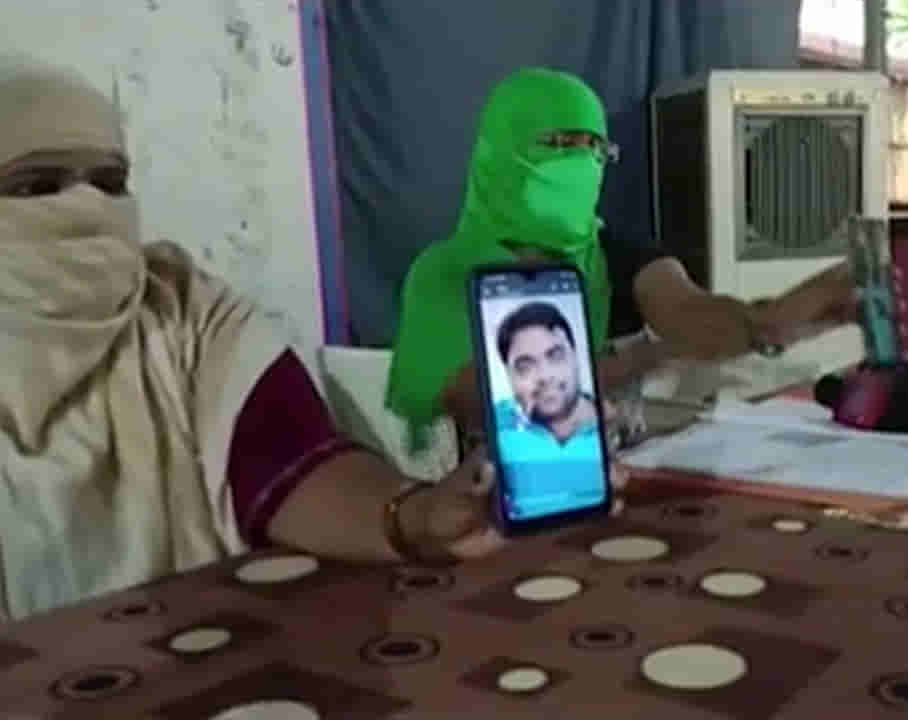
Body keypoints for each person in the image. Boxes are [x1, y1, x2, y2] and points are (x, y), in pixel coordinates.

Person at [0, 57, 625, 621]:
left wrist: (415, 517)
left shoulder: (185, 309)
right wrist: (627, 363)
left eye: (110, 182)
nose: (86, 207)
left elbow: (293, 458)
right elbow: (458, 395)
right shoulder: (442, 271)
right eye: (35, 186)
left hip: (196, 651)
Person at [387, 67, 901, 449]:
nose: (582, 163)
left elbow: (690, 312)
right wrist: (648, 356)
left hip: (621, 492)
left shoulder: (617, 255)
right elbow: (477, 400)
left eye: (594, 149)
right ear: (501, 148)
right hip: (491, 512)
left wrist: (778, 320)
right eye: (561, 144)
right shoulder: (444, 274)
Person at [491, 302, 606, 518]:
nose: (544, 376)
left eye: (555, 356)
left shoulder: (610, 423)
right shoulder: (498, 421)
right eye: (525, 367)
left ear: (576, 358)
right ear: (509, 376)